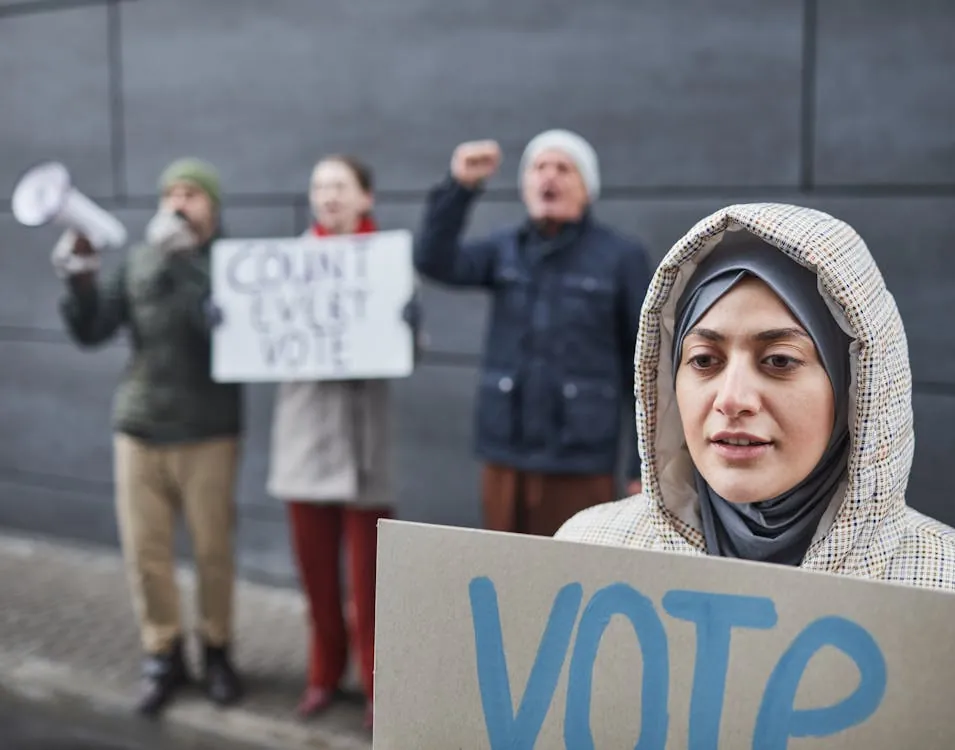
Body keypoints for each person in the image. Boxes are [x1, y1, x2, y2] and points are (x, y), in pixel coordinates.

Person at [556, 203, 955, 748]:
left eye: (779, 361)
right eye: (703, 360)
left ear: (854, 384)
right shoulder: (586, 552)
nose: (732, 399)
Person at [51, 158, 244, 716]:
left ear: (212, 205)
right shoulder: (138, 260)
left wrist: (186, 266)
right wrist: (81, 281)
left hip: (209, 430)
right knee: (146, 554)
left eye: (192, 194)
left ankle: (218, 649)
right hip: (139, 428)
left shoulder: (231, 265)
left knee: (213, 552)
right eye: (171, 194)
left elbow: (226, 338)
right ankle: (162, 650)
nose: (179, 204)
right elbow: (93, 329)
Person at [414, 130, 651, 537]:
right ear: (525, 185)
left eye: (563, 168)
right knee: (506, 575)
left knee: (576, 576)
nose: (549, 177)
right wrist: (461, 188)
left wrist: (641, 465)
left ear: (586, 188)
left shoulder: (621, 258)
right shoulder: (504, 249)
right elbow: (434, 260)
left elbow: (645, 364)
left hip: (579, 462)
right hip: (506, 455)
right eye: (539, 167)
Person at [268, 154, 420, 729]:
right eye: (319, 186)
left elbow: (412, 348)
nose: (327, 195)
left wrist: (407, 323)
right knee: (316, 580)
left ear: (365, 197)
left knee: (371, 584)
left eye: (339, 185)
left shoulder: (386, 262)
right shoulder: (285, 266)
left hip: (363, 451)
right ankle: (322, 676)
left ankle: (380, 689)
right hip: (306, 443)